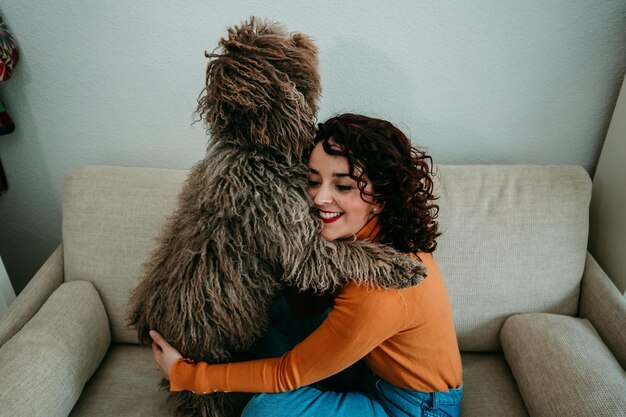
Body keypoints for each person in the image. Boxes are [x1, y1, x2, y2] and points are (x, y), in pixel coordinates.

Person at [150, 113, 463, 417]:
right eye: (313, 181)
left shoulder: (381, 288)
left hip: (413, 407)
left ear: (380, 199)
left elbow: (287, 373)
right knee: (270, 310)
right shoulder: (358, 234)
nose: (318, 198)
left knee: (266, 413)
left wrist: (188, 376)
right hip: (366, 366)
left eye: (342, 187)